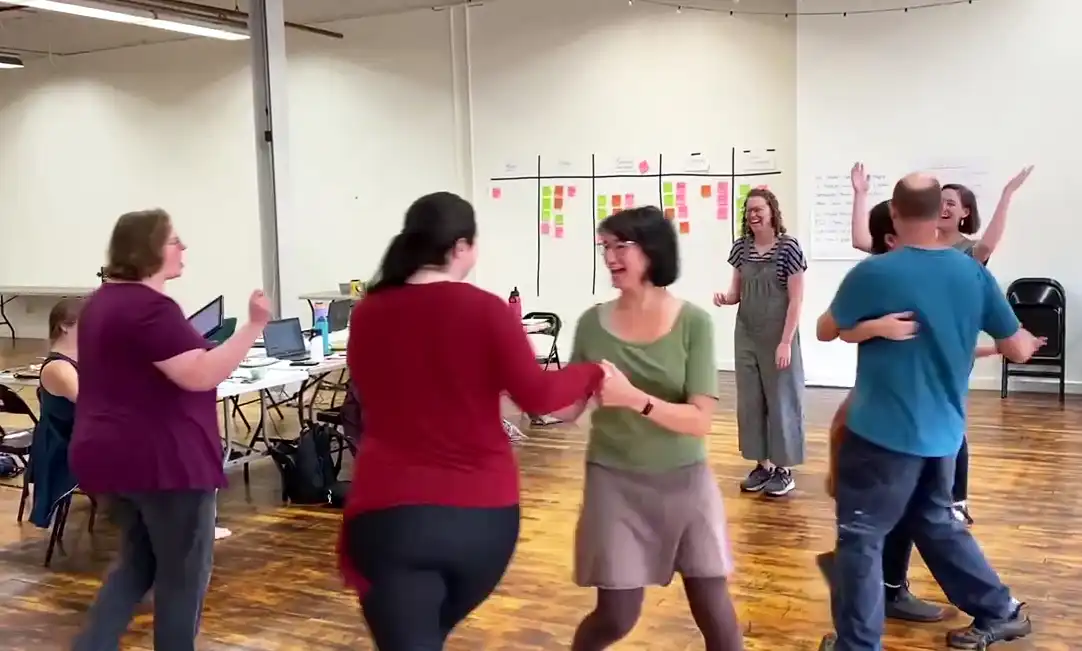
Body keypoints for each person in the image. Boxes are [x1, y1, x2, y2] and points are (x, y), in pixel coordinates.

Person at [339, 192, 605, 651]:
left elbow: (368, 392)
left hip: (388, 518)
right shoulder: (487, 310)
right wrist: (593, 372)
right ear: (461, 247)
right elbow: (538, 396)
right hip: (481, 522)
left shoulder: (367, 315)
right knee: (426, 635)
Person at [817, 174, 1040, 651]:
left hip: (881, 436)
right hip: (943, 437)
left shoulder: (875, 273)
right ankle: (1001, 610)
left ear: (894, 214)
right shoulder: (973, 273)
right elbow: (1018, 349)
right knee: (936, 524)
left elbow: (828, 329)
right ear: (939, 212)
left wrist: (871, 324)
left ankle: (856, 646)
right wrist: (1025, 341)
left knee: (860, 537)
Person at [70, 209, 271, 651]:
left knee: (138, 563)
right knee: (182, 576)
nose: (183, 248)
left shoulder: (100, 302)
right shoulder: (150, 308)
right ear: (149, 249)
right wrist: (253, 326)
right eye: (174, 240)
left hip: (108, 458)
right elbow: (199, 374)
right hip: (162, 463)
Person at [565, 207, 741, 651]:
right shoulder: (591, 323)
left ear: (652, 250)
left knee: (717, 615)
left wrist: (635, 399)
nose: (610, 257)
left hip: (685, 482)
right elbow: (569, 406)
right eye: (605, 246)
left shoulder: (693, 323)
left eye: (621, 246)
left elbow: (700, 420)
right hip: (614, 481)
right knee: (616, 616)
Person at [849, 162, 1033, 523]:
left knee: (947, 430)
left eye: (954, 202)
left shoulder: (967, 257)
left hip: (944, 357)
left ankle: (951, 501)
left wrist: (1007, 195)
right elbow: (836, 320)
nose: (946, 206)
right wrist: (861, 195)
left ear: (965, 213)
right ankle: (915, 518)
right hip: (904, 356)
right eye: (942, 200)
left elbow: (989, 245)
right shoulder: (906, 250)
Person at [714, 187, 806, 497]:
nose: (753, 215)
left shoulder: (789, 248)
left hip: (779, 335)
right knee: (751, 402)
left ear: (771, 212)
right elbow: (737, 292)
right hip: (747, 335)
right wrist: (725, 299)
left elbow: (796, 300)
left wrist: (785, 342)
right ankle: (762, 465)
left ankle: (784, 469)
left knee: (781, 401)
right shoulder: (742, 248)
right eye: (749, 210)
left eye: (758, 209)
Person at [28, 298, 83, 529]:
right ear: (65, 326)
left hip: (80, 438)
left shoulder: (79, 361)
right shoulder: (59, 368)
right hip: (65, 448)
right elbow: (95, 404)